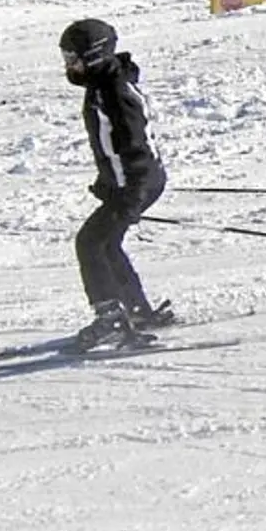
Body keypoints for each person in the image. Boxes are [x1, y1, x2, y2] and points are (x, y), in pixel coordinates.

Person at [60, 18, 173, 351]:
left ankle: (110, 319)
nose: (69, 66)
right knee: (106, 243)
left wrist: (130, 194)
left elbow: (135, 145)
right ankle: (136, 310)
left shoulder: (113, 92)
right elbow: (113, 149)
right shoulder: (106, 85)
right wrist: (109, 183)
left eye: (74, 59)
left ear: (94, 57)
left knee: (90, 243)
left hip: (136, 184)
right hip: (131, 183)